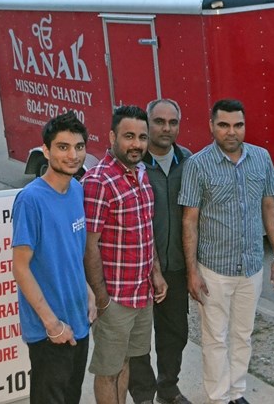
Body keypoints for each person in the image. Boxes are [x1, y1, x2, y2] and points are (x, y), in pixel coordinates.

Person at [179, 99, 274, 404]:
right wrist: (192, 272)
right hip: (214, 269)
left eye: (238, 125)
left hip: (251, 266)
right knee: (215, 339)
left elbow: (270, 206)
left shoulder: (261, 158)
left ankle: (237, 392)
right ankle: (218, 397)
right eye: (224, 125)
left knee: (243, 335)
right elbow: (190, 220)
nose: (231, 132)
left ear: (244, 126)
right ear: (211, 126)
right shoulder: (198, 165)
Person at [82, 105, 168, 404]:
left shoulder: (140, 176)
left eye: (142, 137)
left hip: (141, 294)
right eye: (128, 136)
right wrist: (102, 298)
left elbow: (146, 231)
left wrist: (155, 272)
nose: (137, 144)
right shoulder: (98, 181)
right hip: (115, 299)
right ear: (111, 137)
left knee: (126, 362)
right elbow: (88, 245)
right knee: (108, 370)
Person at [11, 111, 96, 404]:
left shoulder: (76, 189)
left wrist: (88, 293)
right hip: (51, 331)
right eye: (63, 147)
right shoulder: (31, 199)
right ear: (45, 151)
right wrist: (51, 324)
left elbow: (70, 253)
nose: (73, 155)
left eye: (79, 146)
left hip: (78, 322)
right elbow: (20, 268)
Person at [128, 99, 193, 404]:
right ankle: (144, 395)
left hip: (176, 266)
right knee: (139, 340)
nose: (166, 128)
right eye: (159, 121)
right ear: (147, 124)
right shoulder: (134, 165)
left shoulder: (188, 161)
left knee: (175, 333)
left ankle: (168, 386)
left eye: (173, 122)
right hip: (138, 269)